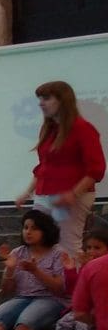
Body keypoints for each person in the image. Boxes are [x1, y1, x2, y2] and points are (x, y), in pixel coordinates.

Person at [14, 79, 103, 254]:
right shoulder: (48, 129)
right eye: (40, 98)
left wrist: (73, 193)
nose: (41, 103)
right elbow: (43, 167)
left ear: (63, 100)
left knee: (67, 244)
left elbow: (96, 168)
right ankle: (45, 280)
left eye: (46, 98)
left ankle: (73, 281)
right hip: (44, 193)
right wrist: (27, 192)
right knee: (39, 241)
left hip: (71, 195)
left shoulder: (83, 128)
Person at [54, 221, 108, 330]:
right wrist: (71, 270)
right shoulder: (88, 267)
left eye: (97, 248)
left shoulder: (95, 267)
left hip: (97, 315)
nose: (92, 252)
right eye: (89, 248)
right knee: (63, 324)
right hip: (86, 310)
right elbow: (76, 292)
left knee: (82, 326)